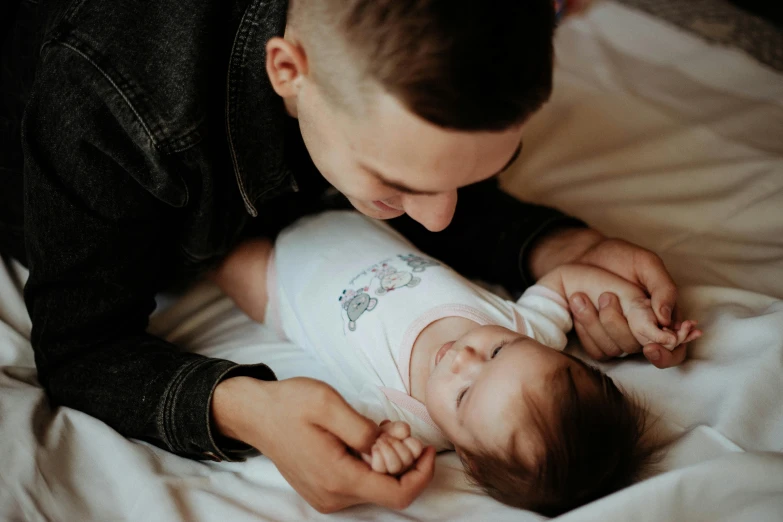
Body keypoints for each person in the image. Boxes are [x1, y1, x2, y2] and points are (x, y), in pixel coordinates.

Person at [0, 0, 689, 512]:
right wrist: (248, 411)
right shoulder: (114, 106)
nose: (441, 217)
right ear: (288, 71)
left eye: (481, 167)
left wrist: (563, 246)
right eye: (396, 182)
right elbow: (81, 346)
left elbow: (440, 182)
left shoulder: (407, 69)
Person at [213, 210, 700, 515]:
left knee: (215, 245)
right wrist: (634, 311)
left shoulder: (408, 421)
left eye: (465, 395)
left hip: (278, 282)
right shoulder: (527, 327)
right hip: (349, 212)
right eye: (498, 352)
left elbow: (343, 427)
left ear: (464, 453)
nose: (465, 357)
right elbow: (569, 280)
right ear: (545, 348)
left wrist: (380, 453)